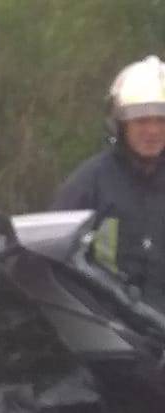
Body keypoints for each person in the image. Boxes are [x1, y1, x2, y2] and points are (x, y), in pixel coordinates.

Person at [52, 55, 165, 306]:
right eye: (142, 120)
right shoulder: (88, 185)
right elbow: (54, 265)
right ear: (120, 124)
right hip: (108, 333)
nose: (153, 130)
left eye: (161, 120)